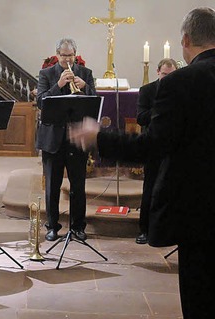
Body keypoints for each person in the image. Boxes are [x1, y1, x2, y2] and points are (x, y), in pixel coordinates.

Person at [68, 7, 215, 318]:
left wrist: (100, 137)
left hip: (199, 210)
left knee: (202, 296)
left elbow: (153, 145)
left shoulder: (180, 83)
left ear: (186, 40)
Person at [36, 38, 96, 242]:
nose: (67, 59)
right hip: (53, 138)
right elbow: (40, 101)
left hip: (76, 137)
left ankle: (78, 226)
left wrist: (85, 87)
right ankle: (52, 226)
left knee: (78, 186)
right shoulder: (46, 74)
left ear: (75, 55)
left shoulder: (85, 73)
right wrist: (60, 83)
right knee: (52, 185)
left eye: (70, 55)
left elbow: (94, 102)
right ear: (57, 55)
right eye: (63, 55)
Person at [135, 58, 178, 244]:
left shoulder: (181, 89)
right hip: (152, 145)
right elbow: (140, 118)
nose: (168, 78)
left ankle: (166, 231)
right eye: (165, 75)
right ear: (158, 73)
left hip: (174, 145)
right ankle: (144, 230)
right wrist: (161, 109)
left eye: (172, 75)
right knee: (150, 187)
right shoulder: (147, 91)